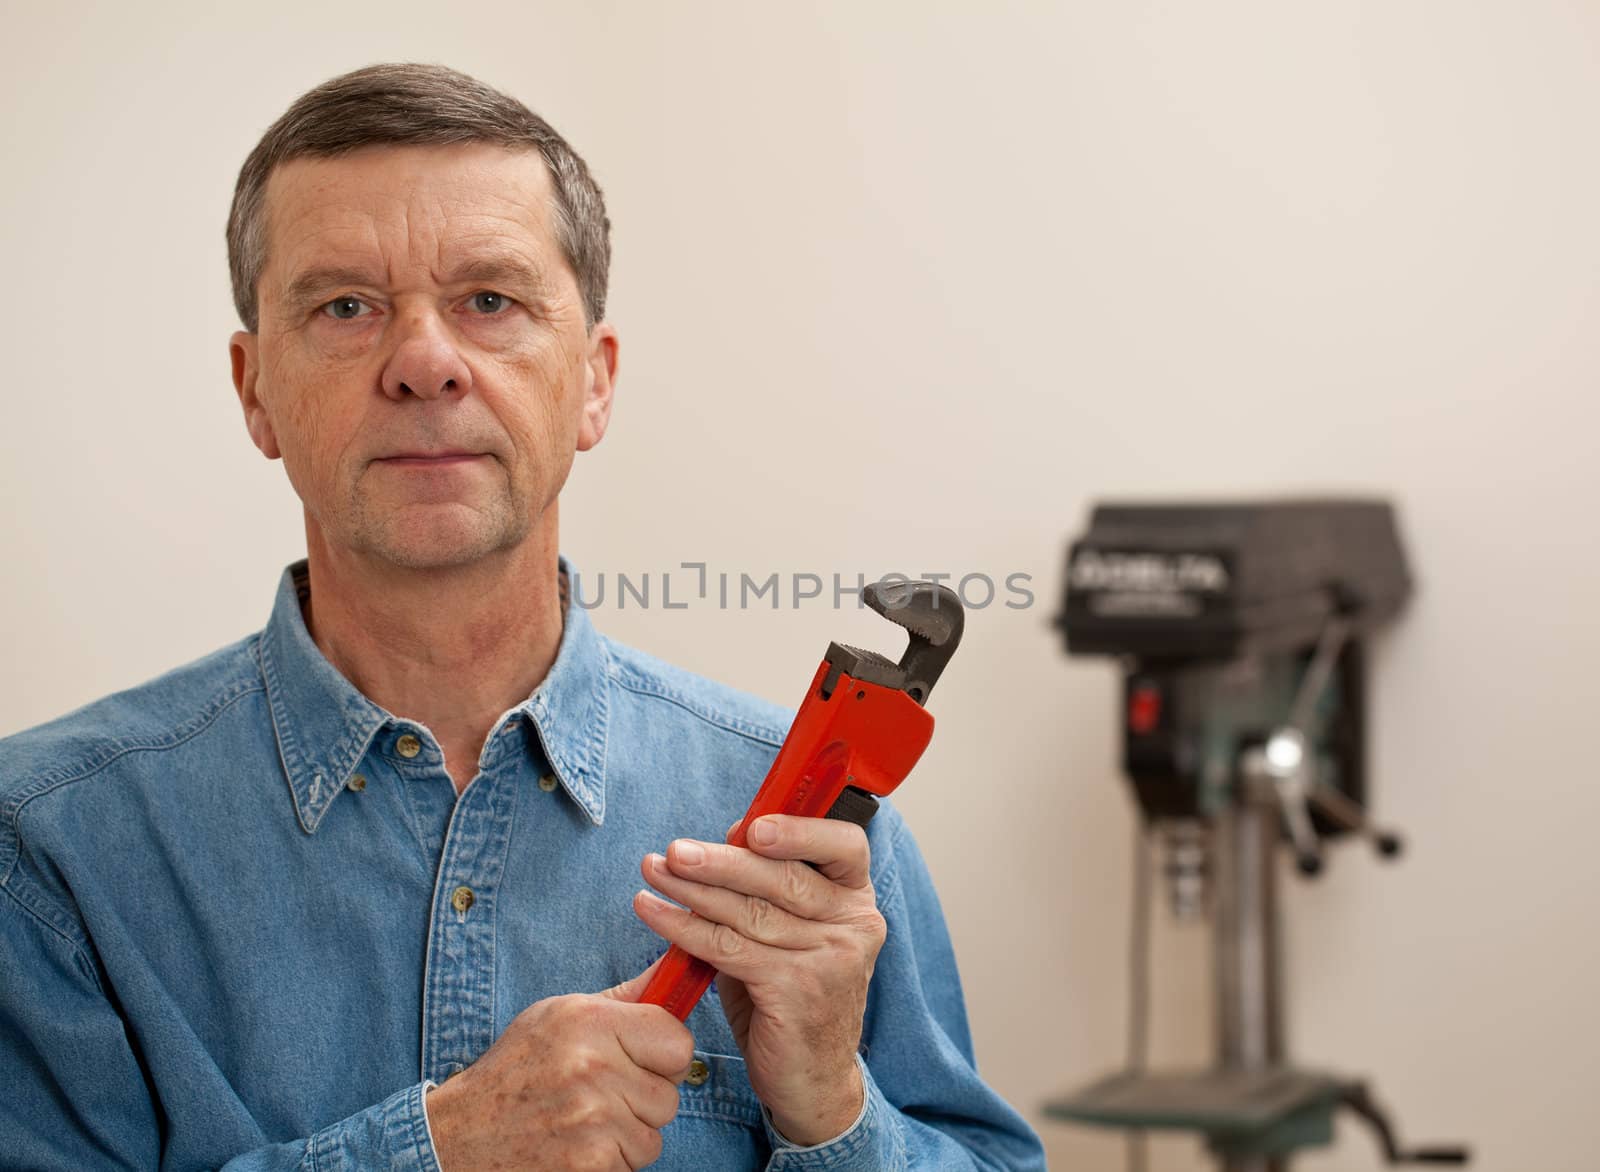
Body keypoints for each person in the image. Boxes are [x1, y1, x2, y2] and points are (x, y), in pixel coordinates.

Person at [0, 63, 1045, 1171]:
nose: (423, 362)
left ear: (594, 381)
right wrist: (437, 1150)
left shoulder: (822, 839)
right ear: (254, 389)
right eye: (345, 306)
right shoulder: (50, 849)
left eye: (489, 300)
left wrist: (831, 1108)